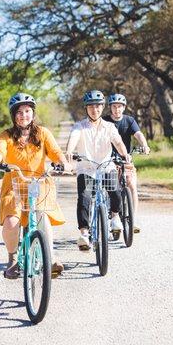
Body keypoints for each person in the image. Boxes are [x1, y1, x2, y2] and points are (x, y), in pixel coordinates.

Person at [0, 93, 71, 279]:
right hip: (14, 184)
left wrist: (64, 163)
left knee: (42, 216)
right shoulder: (6, 135)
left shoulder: (42, 133)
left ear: (33, 113)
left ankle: (51, 257)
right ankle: (13, 258)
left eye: (27, 111)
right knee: (12, 222)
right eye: (19, 112)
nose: (24, 115)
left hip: (39, 183)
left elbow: (55, 152)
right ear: (13, 115)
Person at [66, 90, 131, 250]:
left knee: (116, 191)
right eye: (91, 107)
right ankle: (84, 234)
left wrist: (125, 154)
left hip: (106, 166)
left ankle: (115, 216)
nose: (94, 110)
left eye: (98, 106)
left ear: (102, 108)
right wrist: (69, 150)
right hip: (86, 169)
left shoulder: (109, 126)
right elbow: (73, 138)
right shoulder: (79, 126)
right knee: (84, 198)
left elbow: (118, 142)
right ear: (86, 108)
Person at [102, 93, 151, 233]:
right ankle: (112, 217)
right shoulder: (104, 121)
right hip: (108, 161)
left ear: (124, 107)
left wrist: (145, 145)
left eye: (119, 107)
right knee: (111, 189)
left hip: (125, 160)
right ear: (110, 108)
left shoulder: (129, 121)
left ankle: (133, 219)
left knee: (132, 186)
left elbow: (138, 134)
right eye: (114, 107)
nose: (117, 109)